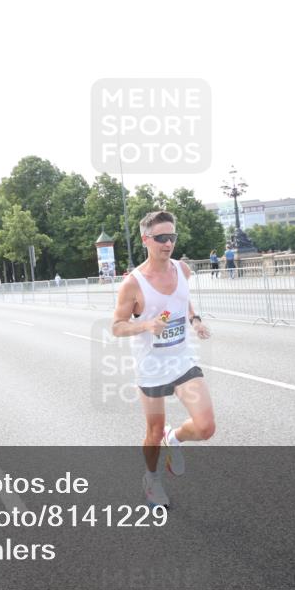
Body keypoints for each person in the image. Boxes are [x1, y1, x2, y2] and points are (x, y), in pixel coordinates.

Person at [111, 210, 216, 509]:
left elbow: (182, 300)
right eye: (161, 238)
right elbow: (116, 326)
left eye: (172, 237)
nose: (168, 243)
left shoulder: (183, 270)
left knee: (206, 427)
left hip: (182, 358)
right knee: (153, 431)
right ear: (146, 240)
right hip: (152, 366)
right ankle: (152, 479)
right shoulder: (133, 284)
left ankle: (176, 437)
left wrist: (195, 320)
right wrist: (145, 325)